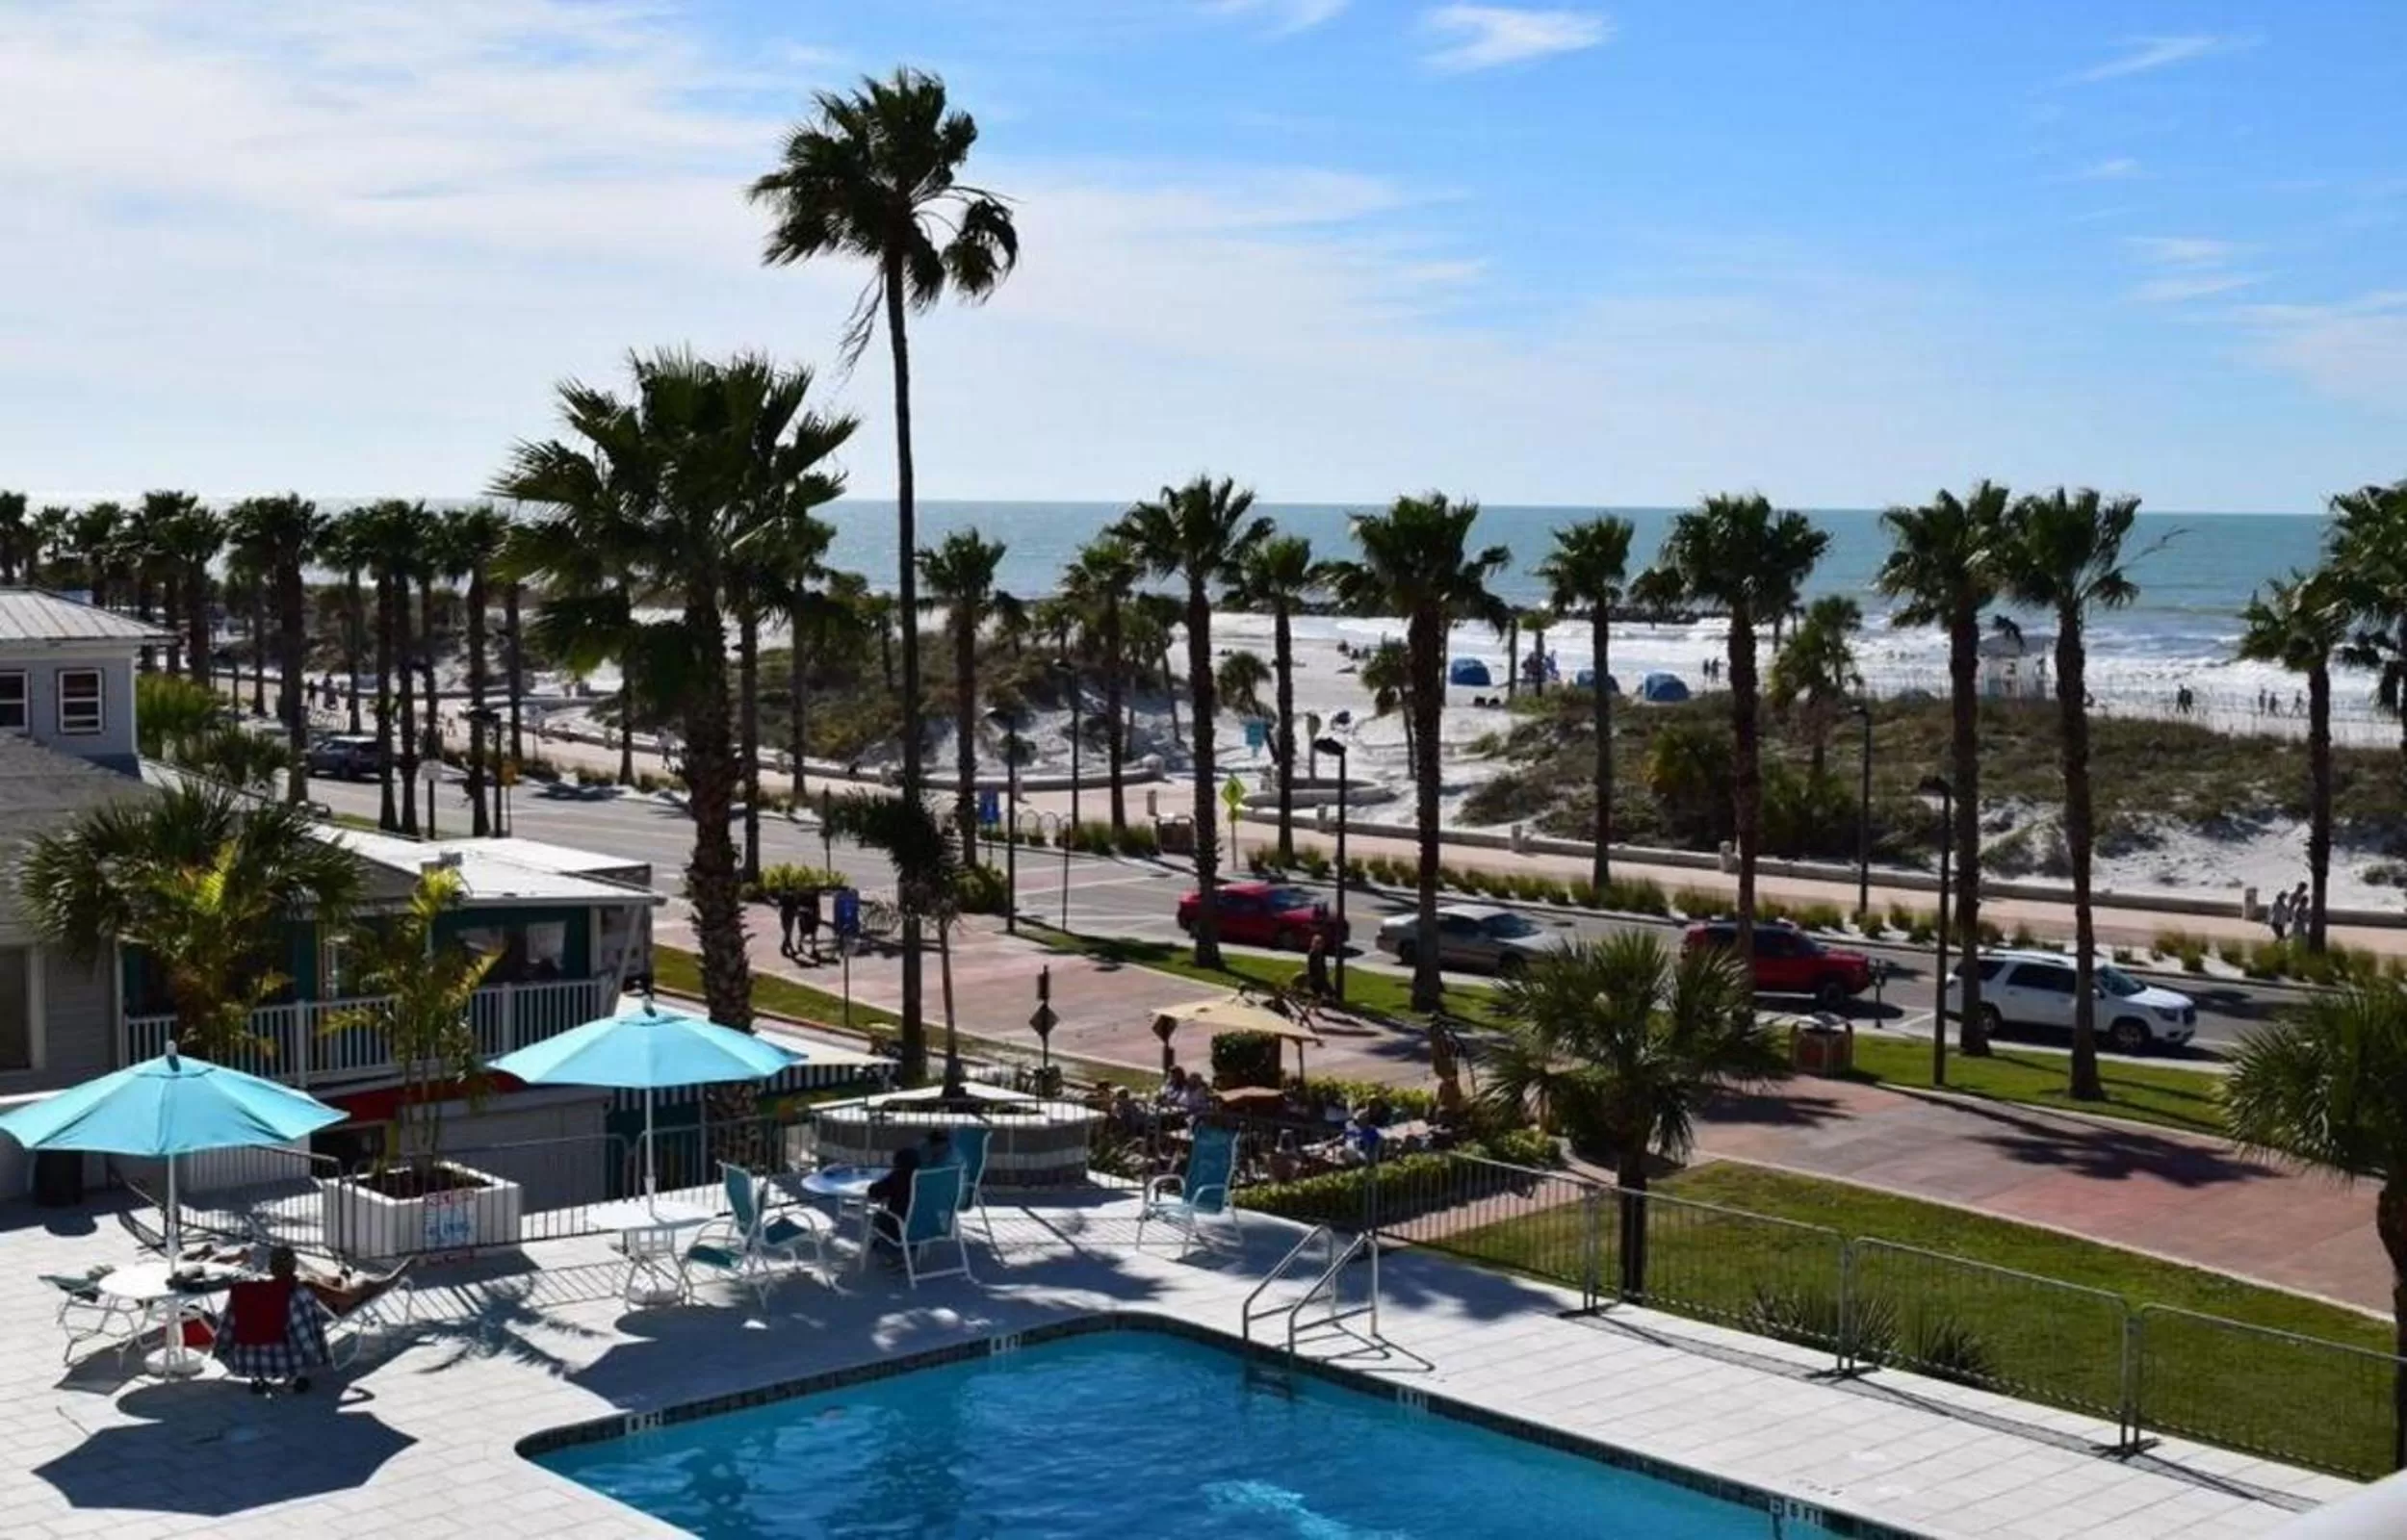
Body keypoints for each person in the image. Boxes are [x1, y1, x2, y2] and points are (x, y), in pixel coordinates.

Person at [213, 1245, 409, 1395]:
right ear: (293, 1265)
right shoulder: (301, 1286)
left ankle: (341, 1276)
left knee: (326, 1281)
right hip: (329, 1309)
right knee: (363, 1283)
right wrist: (345, 1284)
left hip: (263, 1347)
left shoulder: (256, 1290)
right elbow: (346, 1299)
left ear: (271, 1268)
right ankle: (391, 1279)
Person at [865, 1145, 922, 1259]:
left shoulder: (897, 1177)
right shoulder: (926, 1177)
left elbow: (874, 1192)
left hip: (898, 1226)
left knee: (877, 1217)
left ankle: (892, 1252)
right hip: (922, 1225)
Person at [797, 887, 823, 963]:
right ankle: (800, 945)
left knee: (814, 934)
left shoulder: (815, 893)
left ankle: (813, 949)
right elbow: (799, 907)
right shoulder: (801, 894)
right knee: (803, 933)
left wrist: (818, 915)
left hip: (813, 916)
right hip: (805, 917)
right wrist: (807, 910)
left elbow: (817, 905)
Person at [1305, 931, 1333, 999]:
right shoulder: (1312, 953)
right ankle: (1309, 1008)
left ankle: (1315, 1008)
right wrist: (1311, 976)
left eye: (1321, 944)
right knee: (1317, 994)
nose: (1320, 946)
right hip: (1314, 976)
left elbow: (1322, 964)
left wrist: (1325, 971)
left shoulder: (1321, 953)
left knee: (1319, 994)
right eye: (1318, 943)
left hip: (1321, 976)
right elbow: (1311, 965)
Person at [776, 886, 799, 960]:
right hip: (788, 915)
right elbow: (795, 907)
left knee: (787, 933)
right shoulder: (792, 897)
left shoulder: (783, 895)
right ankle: (785, 948)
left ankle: (788, 949)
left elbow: (779, 904)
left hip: (785, 915)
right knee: (788, 933)